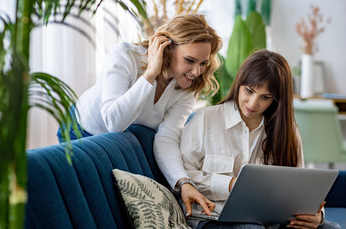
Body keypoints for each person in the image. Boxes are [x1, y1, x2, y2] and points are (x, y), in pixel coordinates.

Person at [57, 13, 222, 214]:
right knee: (84, 206)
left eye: (203, 63)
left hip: (118, 141)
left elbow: (167, 137)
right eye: (190, 60)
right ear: (166, 48)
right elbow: (114, 123)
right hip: (81, 131)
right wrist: (151, 73)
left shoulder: (187, 86)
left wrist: (184, 183)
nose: (197, 71)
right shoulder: (126, 56)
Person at [177, 49, 341, 229]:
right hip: (213, 218)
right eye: (249, 91)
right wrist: (229, 184)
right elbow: (184, 174)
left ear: (276, 100)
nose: (253, 103)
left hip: (270, 221)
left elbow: (299, 188)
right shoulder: (205, 120)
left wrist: (316, 215)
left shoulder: (288, 132)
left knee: (331, 228)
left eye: (265, 97)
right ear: (239, 83)